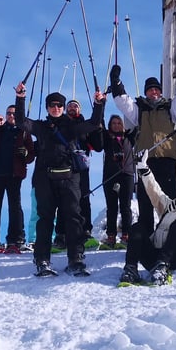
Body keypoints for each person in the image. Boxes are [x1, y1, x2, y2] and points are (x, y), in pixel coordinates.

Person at [14, 85, 106, 276]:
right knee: (45, 219)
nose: (56, 108)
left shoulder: (73, 127)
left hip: (70, 177)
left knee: (74, 218)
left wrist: (99, 103)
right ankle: (42, 260)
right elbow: (21, 121)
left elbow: (95, 123)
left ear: (63, 108)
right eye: (52, 105)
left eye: (59, 105)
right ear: (47, 107)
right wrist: (21, 97)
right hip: (45, 179)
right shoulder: (40, 127)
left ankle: (76, 259)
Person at [110, 61, 176, 236]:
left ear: (160, 91)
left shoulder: (170, 108)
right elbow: (123, 102)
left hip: (167, 161)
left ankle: (168, 234)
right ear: (146, 92)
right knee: (145, 201)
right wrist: (116, 82)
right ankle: (146, 236)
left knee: (168, 200)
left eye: (156, 89)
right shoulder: (139, 110)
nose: (153, 92)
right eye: (150, 89)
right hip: (145, 163)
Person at [119, 149, 176, 285]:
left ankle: (162, 267)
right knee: (137, 227)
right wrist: (143, 168)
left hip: (175, 259)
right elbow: (155, 190)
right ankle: (131, 269)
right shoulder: (169, 205)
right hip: (153, 255)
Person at [0, 107, 35, 254]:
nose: (11, 116)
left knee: (15, 206)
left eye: (14, 113)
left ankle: (16, 239)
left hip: (14, 175)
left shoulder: (24, 131)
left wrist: (25, 153)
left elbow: (31, 156)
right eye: (8, 113)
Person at [53, 98, 103, 247]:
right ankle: (61, 234)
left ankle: (85, 230)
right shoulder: (61, 124)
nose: (72, 108)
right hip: (64, 165)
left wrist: (98, 129)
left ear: (79, 110)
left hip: (81, 167)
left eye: (75, 106)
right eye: (70, 106)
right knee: (63, 199)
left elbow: (98, 146)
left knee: (84, 198)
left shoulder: (86, 125)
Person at [100, 114, 136, 248]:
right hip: (110, 175)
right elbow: (100, 124)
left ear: (123, 125)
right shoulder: (107, 138)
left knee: (126, 206)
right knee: (112, 207)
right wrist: (101, 105)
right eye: (113, 123)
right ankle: (111, 236)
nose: (116, 125)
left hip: (126, 174)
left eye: (118, 123)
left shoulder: (129, 137)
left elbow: (138, 124)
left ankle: (126, 235)